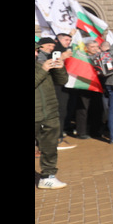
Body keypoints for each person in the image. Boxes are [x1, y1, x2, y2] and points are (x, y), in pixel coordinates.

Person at [36, 42, 69, 189]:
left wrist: (60, 69)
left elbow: (62, 81)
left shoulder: (40, 64)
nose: (37, 54)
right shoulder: (41, 67)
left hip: (49, 113)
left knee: (49, 148)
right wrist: (43, 70)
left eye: (37, 50)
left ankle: (48, 177)